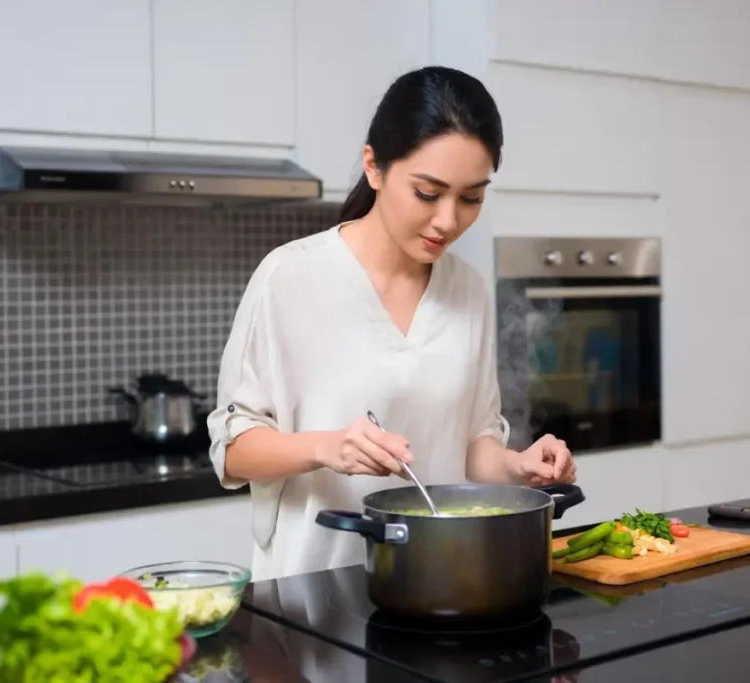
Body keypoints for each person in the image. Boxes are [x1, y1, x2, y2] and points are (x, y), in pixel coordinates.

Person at [207, 65, 578, 581]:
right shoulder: (291, 276)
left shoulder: (468, 290)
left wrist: (518, 467)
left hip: (443, 585)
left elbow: (470, 447)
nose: (449, 220)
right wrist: (326, 446)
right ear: (374, 167)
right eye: (428, 193)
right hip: (312, 594)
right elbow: (232, 451)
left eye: (471, 198)